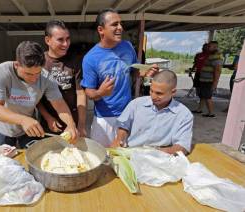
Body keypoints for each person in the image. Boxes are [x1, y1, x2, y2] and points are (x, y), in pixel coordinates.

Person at [81, 8, 158, 147]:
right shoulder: (90, 58)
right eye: (114, 24)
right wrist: (100, 93)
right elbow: (89, 92)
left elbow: (134, 71)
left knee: (126, 156)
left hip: (128, 114)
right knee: (103, 158)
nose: (120, 28)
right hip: (105, 119)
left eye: (121, 24)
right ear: (101, 30)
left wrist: (145, 72)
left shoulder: (127, 46)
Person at [0, 41, 77, 148]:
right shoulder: (1, 72)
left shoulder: (46, 78)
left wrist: (71, 125)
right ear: (17, 64)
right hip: (5, 131)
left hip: (29, 131)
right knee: (3, 162)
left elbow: (60, 105)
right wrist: (23, 120)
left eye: (37, 73)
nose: (34, 79)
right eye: (28, 73)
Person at [111, 70, 193, 155]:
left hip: (161, 159)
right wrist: (119, 139)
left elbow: (182, 147)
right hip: (130, 153)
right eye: (151, 91)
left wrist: (151, 154)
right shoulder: (136, 104)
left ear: (173, 92)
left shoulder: (184, 115)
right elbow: (124, 126)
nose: (153, 96)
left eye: (159, 93)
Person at [40, 20, 87, 137]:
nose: (66, 44)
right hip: (51, 124)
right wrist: (48, 118)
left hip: (73, 122)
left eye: (68, 39)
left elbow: (80, 94)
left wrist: (81, 125)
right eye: (60, 39)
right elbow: (36, 98)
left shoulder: (75, 61)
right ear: (48, 40)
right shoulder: (40, 62)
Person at [192, 41, 222, 117]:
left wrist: (215, 83)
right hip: (203, 79)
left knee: (208, 97)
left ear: (215, 47)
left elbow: (218, 70)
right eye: (207, 46)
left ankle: (211, 113)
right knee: (202, 95)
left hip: (208, 81)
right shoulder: (210, 55)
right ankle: (199, 109)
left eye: (209, 47)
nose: (207, 48)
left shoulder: (216, 56)